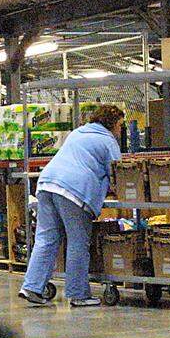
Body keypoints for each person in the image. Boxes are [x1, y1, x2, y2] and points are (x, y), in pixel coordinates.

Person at [20, 104, 124, 307]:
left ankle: (32, 286)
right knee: (78, 242)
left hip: (47, 183)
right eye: (120, 125)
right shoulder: (107, 141)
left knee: (46, 238)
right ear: (111, 124)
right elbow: (118, 172)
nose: (121, 130)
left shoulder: (78, 132)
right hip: (74, 190)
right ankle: (79, 294)